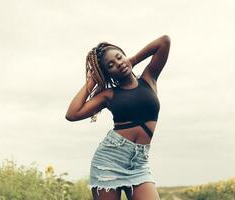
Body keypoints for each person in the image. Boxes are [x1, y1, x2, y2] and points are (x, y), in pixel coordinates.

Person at [65, 35, 171, 200]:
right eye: (110, 65)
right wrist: (92, 81)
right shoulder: (108, 95)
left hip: (139, 164)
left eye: (119, 57)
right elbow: (72, 114)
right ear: (107, 73)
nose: (118, 63)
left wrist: (132, 60)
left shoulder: (149, 79)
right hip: (109, 161)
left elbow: (164, 41)